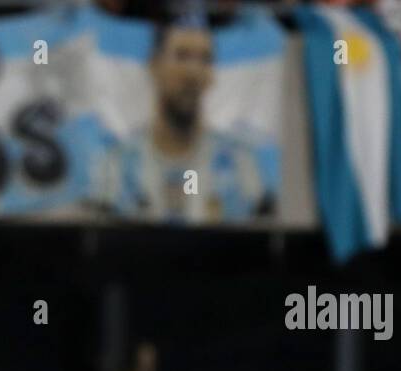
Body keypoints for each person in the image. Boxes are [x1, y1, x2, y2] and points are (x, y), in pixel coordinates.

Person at [92, 17, 271, 223]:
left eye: (205, 59)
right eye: (182, 56)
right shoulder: (118, 166)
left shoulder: (241, 165)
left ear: (211, 76)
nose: (193, 72)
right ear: (154, 66)